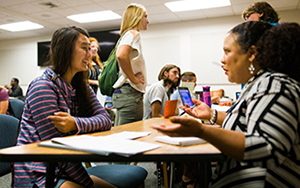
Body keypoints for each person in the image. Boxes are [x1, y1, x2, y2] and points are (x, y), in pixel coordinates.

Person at [151, 21, 300, 187]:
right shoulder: (260, 83)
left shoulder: (274, 85)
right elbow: (247, 123)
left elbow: (266, 148)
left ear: (251, 54)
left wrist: (202, 130)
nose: (222, 60)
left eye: (227, 51)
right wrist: (211, 115)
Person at [13, 26, 146, 188]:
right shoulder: (43, 87)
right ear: (65, 50)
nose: (90, 55)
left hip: (65, 168)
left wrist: (75, 123)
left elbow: (105, 119)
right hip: (39, 172)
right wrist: (88, 184)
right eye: (84, 48)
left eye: (90, 49)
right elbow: (58, 152)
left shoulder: (80, 86)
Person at [112, 3, 149, 126]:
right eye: (145, 16)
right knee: (129, 136)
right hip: (130, 92)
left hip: (125, 93)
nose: (147, 21)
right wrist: (133, 78)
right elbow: (121, 55)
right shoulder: (134, 34)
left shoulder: (127, 35)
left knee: (120, 133)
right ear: (137, 18)